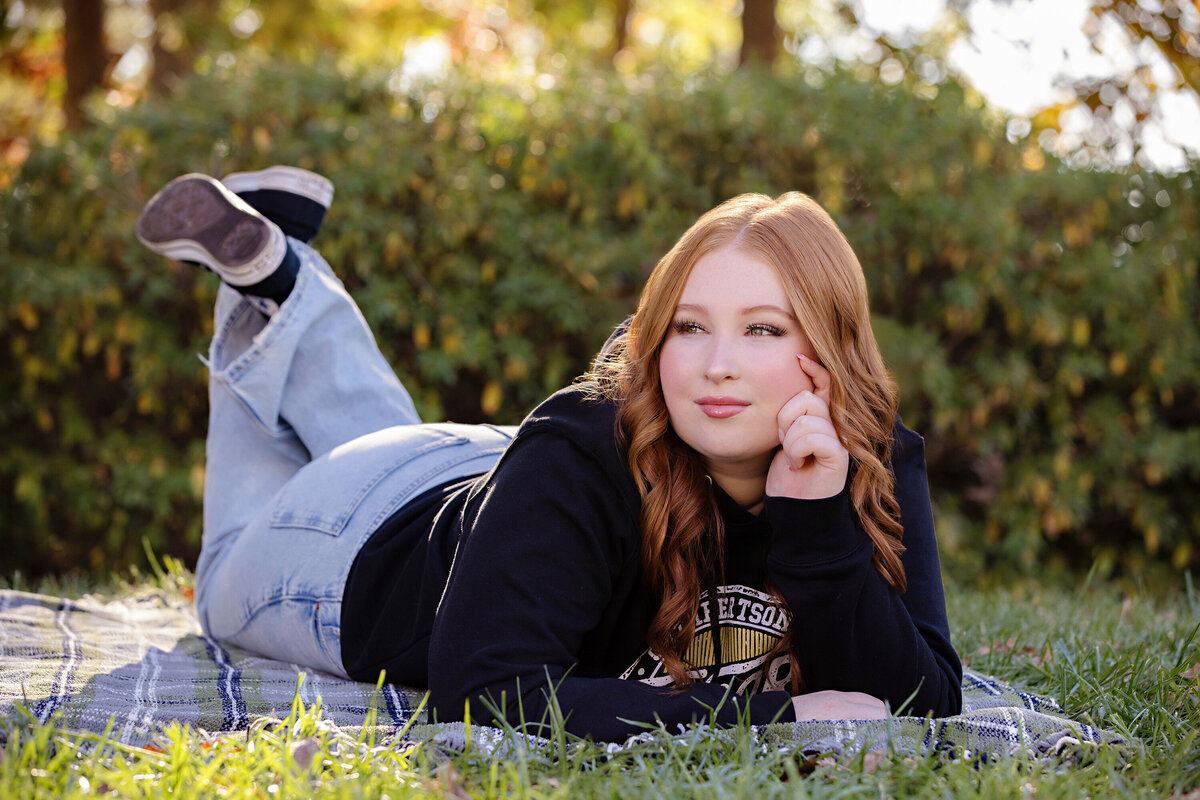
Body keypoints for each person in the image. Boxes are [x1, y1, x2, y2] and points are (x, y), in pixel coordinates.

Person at [136, 169, 962, 743]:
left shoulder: (870, 454)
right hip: (358, 541)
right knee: (219, 581)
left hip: (489, 476)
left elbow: (919, 697)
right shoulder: (582, 448)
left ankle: (282, 268)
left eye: (763, 329)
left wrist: (815, 525)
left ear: (831, 349)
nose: (718, 364)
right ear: (656, 338)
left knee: (394, 448)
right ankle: (264, 283)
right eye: (689, 326)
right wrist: (773, 721)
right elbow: (485, 695)